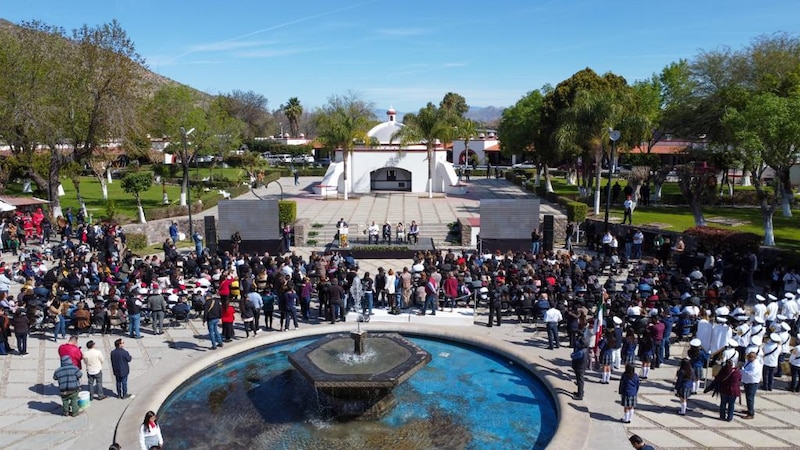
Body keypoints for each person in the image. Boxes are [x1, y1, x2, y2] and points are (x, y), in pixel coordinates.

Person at [741, 349, 762, 419]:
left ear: (754, 358)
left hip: (752, 383)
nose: (748, 358)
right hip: (747, 381)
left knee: (750, 398)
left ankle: (751, 413)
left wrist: (743, 371)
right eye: (748, 357)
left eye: (750, 357)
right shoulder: (749, 362)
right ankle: (749, 409)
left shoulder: (756, 365)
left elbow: (751, 373)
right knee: (748, 397)